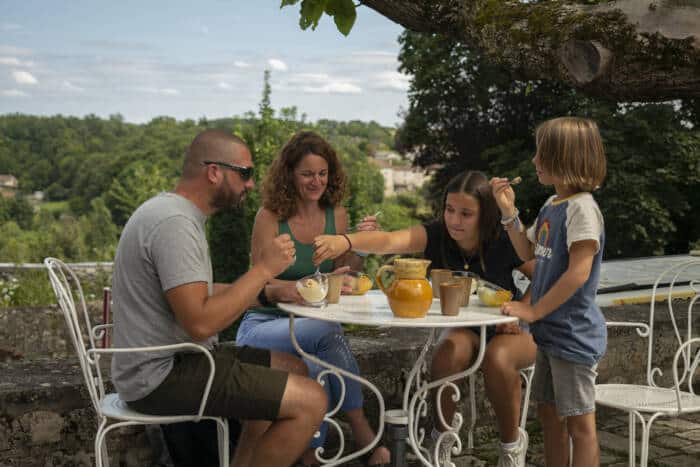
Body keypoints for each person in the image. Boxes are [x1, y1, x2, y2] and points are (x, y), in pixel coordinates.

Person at [110, 129, 327, 467]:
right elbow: (200, 322)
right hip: (161, 375)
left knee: (294, 368)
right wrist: (264, 269)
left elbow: (199, 293)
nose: (251, 183)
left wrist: (269, 293)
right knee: (311, 400)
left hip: (176, 361)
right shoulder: (174, 224)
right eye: (244, 173)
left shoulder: (174, 214)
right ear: (214, 172)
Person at [313, 170, 536, 467]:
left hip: (510, 328)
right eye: (450, 210)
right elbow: (390, 240)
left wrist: (520, 311)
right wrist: (345, 241)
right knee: (446, 355)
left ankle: (511, 448)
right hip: (464, 327)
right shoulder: (436, 235)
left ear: (486, 215)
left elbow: (544, 277)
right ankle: (440, 441)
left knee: (497, 357)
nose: (455, 220)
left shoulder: (505, 238)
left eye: (466, 214)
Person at [234, 131, 390, 467]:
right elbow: (258, 282)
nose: (316, 181)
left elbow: (344, 272)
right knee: (326, 332)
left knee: (316, 362)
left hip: (310, 327)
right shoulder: (269, 217)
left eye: (322, 173)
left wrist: (359, 244)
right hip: (263, 325)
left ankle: (310, 456)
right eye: (307, 174)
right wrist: (300, 284)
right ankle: (362, 431)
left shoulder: (337, 214)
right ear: (289, 174)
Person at [491, 116, 607, 466]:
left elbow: (578, 273)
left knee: (580, 425)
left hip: (572, 335)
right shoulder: (552, 205)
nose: (533, 161)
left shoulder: (582, 209)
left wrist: (533, 311)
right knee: (549, 416)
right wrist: (509, 214)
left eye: (541, 153)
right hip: (551, 335)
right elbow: (528, 253)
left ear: (564, 158)